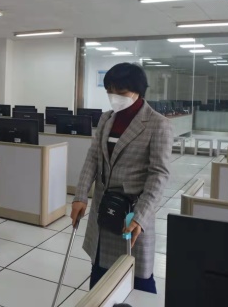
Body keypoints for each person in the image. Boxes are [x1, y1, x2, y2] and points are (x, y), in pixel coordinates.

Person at [71, 62, 172, 294]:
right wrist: (80, 196)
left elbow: (159, 174)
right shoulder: (107, 119)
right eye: (110, 91)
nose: (114, 97)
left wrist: (141, 217)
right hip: (102, 210)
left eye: (121, 92)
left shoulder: (158, 124)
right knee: (99, 277)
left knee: (138, 281)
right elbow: (93, 158)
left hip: (131, 214)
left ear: (138, 91)